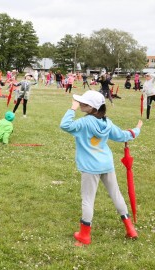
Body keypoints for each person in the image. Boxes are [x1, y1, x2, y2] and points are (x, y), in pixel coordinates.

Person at [60, 90, 142, 246]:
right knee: (116, 195)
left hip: (90, 168)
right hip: (106, 164)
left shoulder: (85, 122)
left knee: (88, 200)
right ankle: (130, 229)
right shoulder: (107, 122)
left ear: (91, 107)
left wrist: (72, 109)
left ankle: (84, 236)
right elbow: (123, 135)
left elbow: (65, 125)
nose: (80, 103)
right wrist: (137, 129)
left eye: (84, 102)